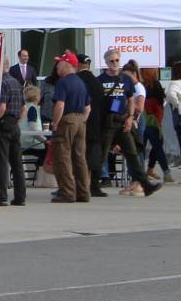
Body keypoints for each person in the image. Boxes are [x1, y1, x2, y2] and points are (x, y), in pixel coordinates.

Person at [98, 49, 159, 197]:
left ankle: (145, 184)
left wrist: (130, 117)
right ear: (106, 63)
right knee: (102, 154)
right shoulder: (100, 80)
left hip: (122, 121)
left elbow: (131, 99)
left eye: (117, 60)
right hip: (107, 122)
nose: (114, 63)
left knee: (132, 153)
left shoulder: (125, 79)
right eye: (111, 61)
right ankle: (93, 183)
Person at [50, 52, 91, 203]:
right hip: (81, 120)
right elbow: (88, 108)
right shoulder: (81, 83)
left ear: (67, 65)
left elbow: (60, 104)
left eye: (60, 63)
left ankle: (67, 192)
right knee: (80, 158)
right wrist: (81, 121)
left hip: (67, 120)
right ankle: (84, 192)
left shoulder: (63, 82)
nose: (57, 66)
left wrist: (55, 123)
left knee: (63, 157)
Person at [0, 57, 26, 206]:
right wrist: (17, 121)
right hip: (14, 124)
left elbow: (2, 107)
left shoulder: (2, 83)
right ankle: (20, 197)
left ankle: (2, 196)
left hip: (3, 123)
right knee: (17, 163)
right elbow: (24, 108)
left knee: (1, 161)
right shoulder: (16, 82)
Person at [75, 54, 107, 197]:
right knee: (94, 155)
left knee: (77, 155)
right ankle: (95, 185)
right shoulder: (97, 82)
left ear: (78, 64)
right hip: (96, 123)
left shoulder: (77, 81)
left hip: (80, 121)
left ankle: (77, 185)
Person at [119, 60, 147, 196]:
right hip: (128, 121)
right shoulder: (127, 87)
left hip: (137, 121)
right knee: (129, 152)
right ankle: (134, 181)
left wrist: (125, 105)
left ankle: (140, 182)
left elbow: (139, 107)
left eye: (127, 76)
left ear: (134, 74)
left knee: (137, 151)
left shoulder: (138, 87)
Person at [141, 67, 173, 185]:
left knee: (150, 145)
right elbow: (161, 100)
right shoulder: (155, 84)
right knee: (158, 145)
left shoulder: (142, 85)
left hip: (144, 119)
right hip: (154, 119)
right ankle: (166, 172)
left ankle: (148, 169)